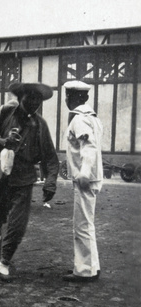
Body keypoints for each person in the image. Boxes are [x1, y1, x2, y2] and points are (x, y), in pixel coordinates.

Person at [0, 82, 59, 282]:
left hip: (25, 177)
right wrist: (2, 141)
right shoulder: (4, 113)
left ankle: (5, 259)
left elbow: (51, 157)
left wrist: (51, 181)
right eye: (30, 97)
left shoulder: (40, 125)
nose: (34, 103)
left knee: (18, 223)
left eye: (38, 99)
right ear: (21, 97)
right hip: (1, 174)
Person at [62, 80, 103, 283]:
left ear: (76, 98)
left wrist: (83, 173)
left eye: (68, 96)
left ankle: (84, 271)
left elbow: (88, 147)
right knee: (88, 224)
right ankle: (92, 267)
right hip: (92, 177)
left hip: (85, 179)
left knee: (82, 226)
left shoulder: (79, 120)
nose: (66, 100)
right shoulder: (93, 118)